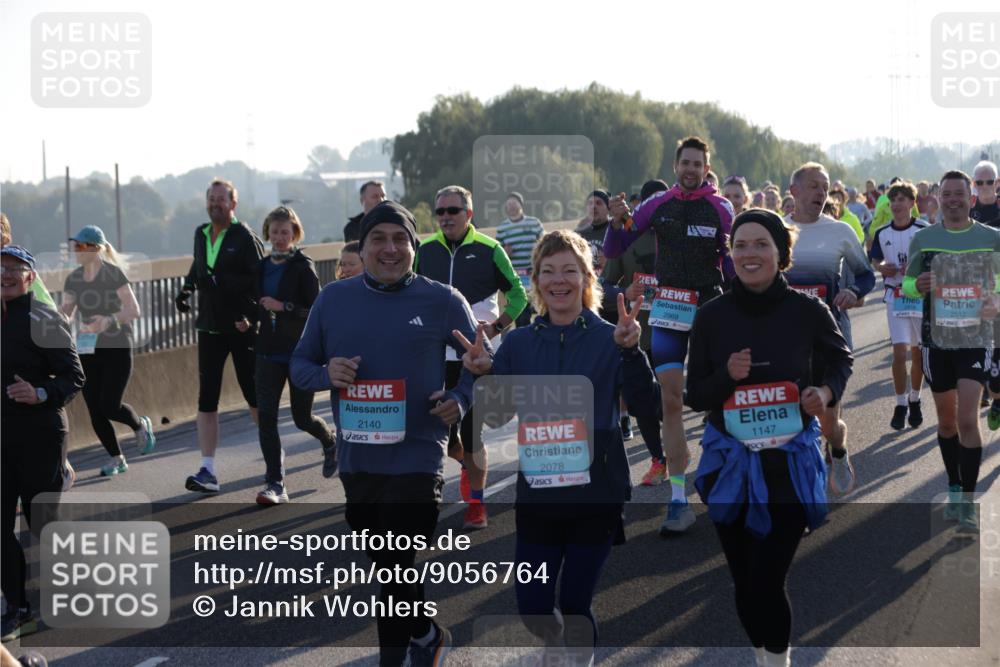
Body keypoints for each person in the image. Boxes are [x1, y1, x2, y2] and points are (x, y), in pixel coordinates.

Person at [290, 200, 487, 666]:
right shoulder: (333, 299)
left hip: (418, 456)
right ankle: (425, 633)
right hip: (358, 461)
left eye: (401, 239)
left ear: (414, 247)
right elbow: (299, 366)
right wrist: (326, 374)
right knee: (390, 570)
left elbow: (480, 364)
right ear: (364, 247)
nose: (390, 249)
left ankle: (395, 657)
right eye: (379, 239)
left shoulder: (443, 300)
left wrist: (460, 399)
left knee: (395, 564)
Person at [470, 229, 657, 666]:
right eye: (548, 271)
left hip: (597, 494)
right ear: (535, 281)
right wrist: (482, 376)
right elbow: (496, 417)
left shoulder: (613, 337)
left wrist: (632, 353)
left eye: (569, 271)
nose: (559, 280)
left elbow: (647, 405)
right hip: (538, 496)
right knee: (533, 608)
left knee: (575, 603)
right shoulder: (516, 344)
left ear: (587, 278)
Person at [687, 210, 852, 667]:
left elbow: (841, 360)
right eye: (740, 245)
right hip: (731, 465)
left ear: (781, 253)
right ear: (730, 254)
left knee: (766, 579)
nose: (749, 253)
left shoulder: (808, 310)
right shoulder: (711, 317)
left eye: (761, 244)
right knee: (744, 583)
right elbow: (696, 394)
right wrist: (727, 376)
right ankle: (765, 659)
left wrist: (824, 390)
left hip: (789, 465)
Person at [604, 135, 736, 534]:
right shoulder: (657, 205)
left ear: (707, 168)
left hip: (712, 307)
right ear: (675, 167)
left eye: (698, 164)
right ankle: (678, 498)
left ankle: (728, 480)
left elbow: (732, 265)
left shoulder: (721, 207)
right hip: (669, 308)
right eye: (686, 163)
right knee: (671, 401)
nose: (691, 170)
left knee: (724, 397)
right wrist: (616, 219)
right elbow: (617, 245)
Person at [414, 185, 527, 529]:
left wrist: (494, 329)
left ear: (469, 214)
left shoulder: (490, 249)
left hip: (476, 360)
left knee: (472, 431)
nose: (446, 217)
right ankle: (465, 466)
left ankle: (476, 503)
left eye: (453, 211)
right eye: (440, 212)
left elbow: (519, 296)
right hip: (434, 358)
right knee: (447, 441)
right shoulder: (424, 250)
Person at [902, 170, 1000, 533]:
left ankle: (968, 502)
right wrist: (918, 284)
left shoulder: (992, 239)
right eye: (948, 194)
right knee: (946, 421)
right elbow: (908, 286)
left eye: (961, 193)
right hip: (936, 340)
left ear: (971, 198)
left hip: (975, 337)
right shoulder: (924, 239)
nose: (954, 199)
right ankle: (954, 484)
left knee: (966, 419)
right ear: (938, 199)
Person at [1, 246, 85, 642]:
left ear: (31, 277)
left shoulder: (43, 318)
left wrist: (39, 392)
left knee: (42, 524)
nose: (5, 275)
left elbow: (73, 376)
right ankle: (18, 607)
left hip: (40, 434)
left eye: (14, 269)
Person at [784, 162, 875, 496]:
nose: (820, 193)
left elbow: (865, 274)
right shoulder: (778, 231)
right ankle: (804, 490)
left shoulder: (839, 231)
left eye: (824, 187)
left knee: (826, 420)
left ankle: (838, 449)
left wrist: (855, 291)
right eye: (812, 186)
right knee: (793, 416)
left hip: (831, 333)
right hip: (787, 338)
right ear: (793, 192)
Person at [175, 179, 264, 493]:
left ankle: (272, 457)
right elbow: (200, 266)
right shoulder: (201, 233)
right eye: (211, 199)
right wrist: (186, 290)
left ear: (233, 204)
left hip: (240, 327)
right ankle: (207, 469)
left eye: (221, 200)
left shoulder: (245, 237)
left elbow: (259, 281)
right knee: (207, 400)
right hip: (209, 326)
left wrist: (251, 317)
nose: (215, 204)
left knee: (253, 396)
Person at [253, 206, 337, 505]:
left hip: (299, 353)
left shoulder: (303, 266)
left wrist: (283, 307)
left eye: (284, 233)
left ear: (295, 234)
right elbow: (257, 303)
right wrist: (248, 319)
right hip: (266, 352)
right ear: (268, 233)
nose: (278, 238)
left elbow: (316, 312)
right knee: (266, 418)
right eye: (274, 233)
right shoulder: (262, 266)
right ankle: (274, 483)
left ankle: (329, 441)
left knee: (301, 418)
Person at [61, 225, 155, 476]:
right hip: (88, 349)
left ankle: (139, 425)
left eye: (81, 246)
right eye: (75, 246)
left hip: (117, 347)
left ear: (96, 249)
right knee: (94, 409)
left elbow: (133, 310)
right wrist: (51, 318)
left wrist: (108, 320)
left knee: (109, 405)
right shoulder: (74, 278)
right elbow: (66, 313)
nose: (76, 251)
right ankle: (117, 458)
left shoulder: (112, 274)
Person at [602, 178, 670, 484]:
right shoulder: (627, 237)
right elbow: (601, 285)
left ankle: (675, 455)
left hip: (676, 334)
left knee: (670, 402)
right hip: (639, 338)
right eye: (650, 203)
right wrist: (626, 290)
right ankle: (659, 459)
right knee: (643, 402)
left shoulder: (678, 235)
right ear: (641, 206)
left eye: (663, 202)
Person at [868, 182, 927, 430]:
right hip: (896, 296)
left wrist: (917, 270)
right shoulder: (883, 233)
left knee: (917, 353)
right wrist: (882, 267)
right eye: (893, 200)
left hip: (920, 297)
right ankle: (901, 403)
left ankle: (915, 398)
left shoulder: (924, 229)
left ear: (912, 203)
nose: (896, 204)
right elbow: (875, 259)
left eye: (902, 199)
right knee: (899, 353)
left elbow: (934, 258)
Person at [495, 192, 544, 328]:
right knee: (521, 312)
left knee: (540, 307)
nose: (511, 207)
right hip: (516, 276)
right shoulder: (502, 228)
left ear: (521, 204)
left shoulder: (534, 223)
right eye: (508, 204)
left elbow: (545, 244)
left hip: (534, 274)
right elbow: (498, 253)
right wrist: (505, 252)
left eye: (514, 203)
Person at [970, 160, 1000, 228]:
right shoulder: (967, 208)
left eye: (990, 182)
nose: (985, 186)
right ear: (974, 184)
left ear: (997, 182)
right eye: (979, 183)